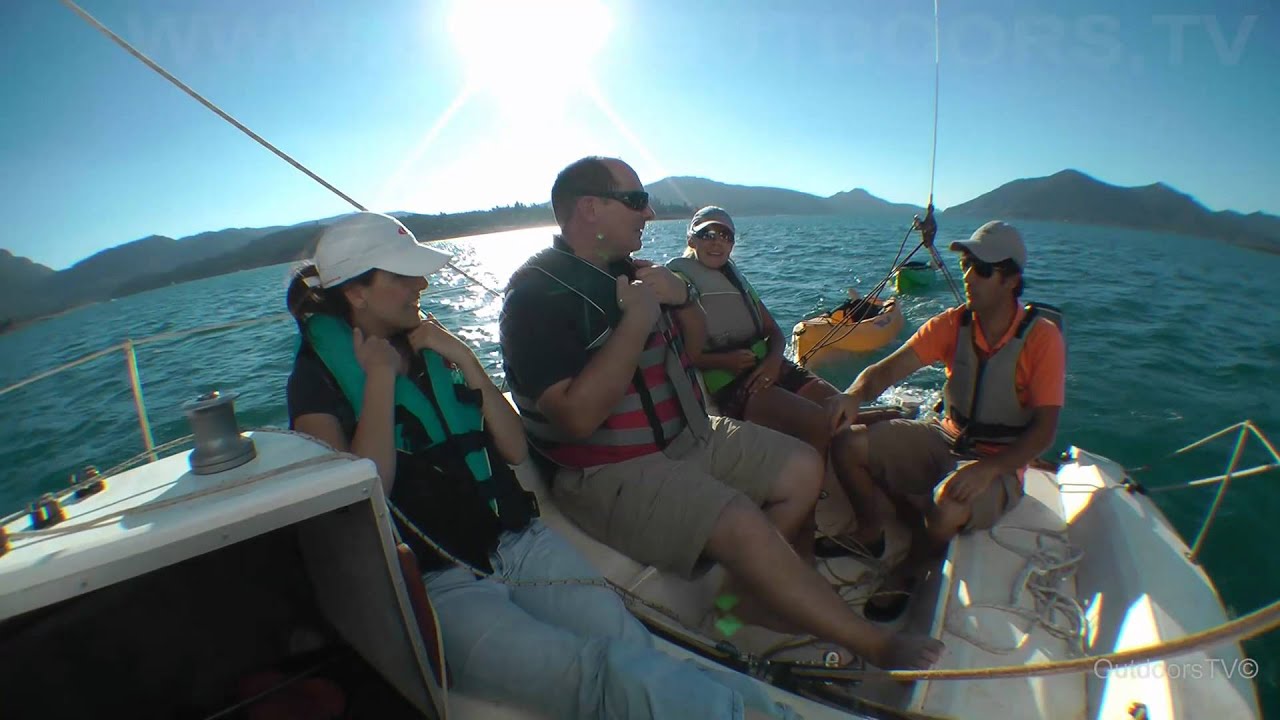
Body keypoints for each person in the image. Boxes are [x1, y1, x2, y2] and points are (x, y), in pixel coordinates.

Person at [285, 211, 801, 720]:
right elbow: (363, 493)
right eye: (403, 276)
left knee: (630, 643)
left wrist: (465, 358)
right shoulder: (316, 382)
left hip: (520, 542)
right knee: (591, 674)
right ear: (357, 292)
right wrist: (379, 379)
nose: (421, 284)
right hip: (444, 582)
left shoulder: (429, 346)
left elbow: (513, 448)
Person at [499, 156, 943, 671]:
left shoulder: (637, 274)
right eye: (637, 201)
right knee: (738, 517)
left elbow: (689, 347)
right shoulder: (535, 295)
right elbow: (575, 419)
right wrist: (637, 319)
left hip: (688, 434)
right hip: (610, 471)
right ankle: (875, 644)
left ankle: (747, 601)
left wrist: (683, 297)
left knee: (803, 466)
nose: (649, 213)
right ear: (590, 208)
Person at [825, 220, 1066, 621]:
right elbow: (886, 370)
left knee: (948, 505)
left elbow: (1045, 431)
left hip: (998, 462)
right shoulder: (952, 324)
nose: (969, 276)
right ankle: (869, 532)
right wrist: (853, 395)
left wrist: (990, 469)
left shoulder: (1042, 339)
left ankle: (912, 566)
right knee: (848, 443)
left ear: (1011, 280)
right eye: (966, 265)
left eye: (982, 269)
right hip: (944, 435)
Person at [667, 206, 902, 557]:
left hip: (772, 366)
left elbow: (774, 332)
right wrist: (724, 361)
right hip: (732, 382)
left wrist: (774, 361)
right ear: (691, 238)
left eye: (725, 235)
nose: (717, 242)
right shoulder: (677, 283)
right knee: (820, 423)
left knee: (839, 406)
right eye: (707, 234)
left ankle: (870, 529)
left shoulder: (735, 278)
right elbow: (680, 354)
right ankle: (803, 532)